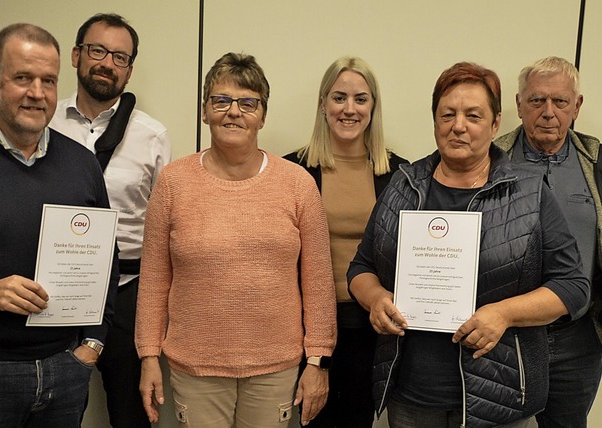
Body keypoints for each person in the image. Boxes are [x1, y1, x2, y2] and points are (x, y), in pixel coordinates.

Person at [347, 62, 590, 428]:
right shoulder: (403, 185)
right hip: (412, 396)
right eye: (448, 114)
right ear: (435, 121)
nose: (458, 125)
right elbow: (361, 267)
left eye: (473, 115)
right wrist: (376, 299)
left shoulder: (530, 193)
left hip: (499, 397)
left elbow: (573, 287)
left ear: (495, 124)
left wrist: (504, 314)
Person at [135, 52, 337, 428]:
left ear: (263, 115)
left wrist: (318, 360)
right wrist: (148, 355)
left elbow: (318, 285)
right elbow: (153, 281)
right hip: (195, 366)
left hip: (276, 367)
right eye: (221, 101)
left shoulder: (297, 185)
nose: (233, 112)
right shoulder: (173, 182)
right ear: (205, 110)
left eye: (248, 103)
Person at [0, 23, 117, 427]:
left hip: (65, 371)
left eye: (48, 80)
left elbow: (106, 260)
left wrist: (93, 344)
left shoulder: (82, 164)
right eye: (22, 78)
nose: (37, 92)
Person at [49, 13, 171, 428]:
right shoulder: (43, 120)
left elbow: (163, 223)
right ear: (77, 55)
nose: (107, 63)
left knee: (132, 412)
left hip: (128, 292)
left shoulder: (152, 135)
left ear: (130, 68)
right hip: (52, 290)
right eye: (98, 51)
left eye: (120, 56)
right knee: (53, 404)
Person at [284, 56, 408, 427]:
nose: (349, 109)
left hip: (369, 325)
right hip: (303, 326)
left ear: (374, 106)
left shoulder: (401, 174)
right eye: (339, 98)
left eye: (360, 99)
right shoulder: (292, 171)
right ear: (323, 104)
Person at [494, 56, 602, 428]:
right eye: (537, 101)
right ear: (520, 104)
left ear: (577, 106)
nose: (548, 112)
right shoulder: (491, 160)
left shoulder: (597, 163)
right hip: (507, 336)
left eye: (560, 102)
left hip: (578, 339)